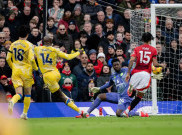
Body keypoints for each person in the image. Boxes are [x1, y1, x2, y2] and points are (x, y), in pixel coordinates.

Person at [76, 59, 148, 118]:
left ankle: (139, 113)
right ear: (113, 67)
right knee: (100, 96)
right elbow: (109, 83)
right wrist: (99, 88)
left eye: (117, 64)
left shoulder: (127, 71)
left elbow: (138, 73)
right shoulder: (113, 75)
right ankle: (87, 113)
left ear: (120, 64)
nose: (116, 66)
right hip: (118, 95)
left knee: (119, 114)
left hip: (127, 97)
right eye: (114, 65)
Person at [34, 36, 86, 116]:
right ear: (51, 43)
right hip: (56, 73)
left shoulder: (37, 49)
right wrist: (78, 52)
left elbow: (30, 56)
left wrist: (36, 68)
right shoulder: (55, 50)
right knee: (60, 92)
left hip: (48, 76)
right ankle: (67, 98)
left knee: (61, 96)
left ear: (43, 42)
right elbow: (68, 57)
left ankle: (80, 111)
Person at [123, 32, 165, 117]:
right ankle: (127, 110)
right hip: (145, 74)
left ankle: (132, 91)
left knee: (131, 95)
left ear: (142, 39)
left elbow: (131, 61)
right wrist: (162, 65)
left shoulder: (137, 49)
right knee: (140, 96)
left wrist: (128, 73)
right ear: (150, 40)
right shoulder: (153, 50)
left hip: (136, 73)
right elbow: (155, 64)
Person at [6, 25, 38, 120]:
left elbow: (8, 58)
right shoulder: (29, 45)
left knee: (19, 94)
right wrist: (35, 68)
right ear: (27, 35)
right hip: (26, 71)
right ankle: (24, 114)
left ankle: (12, 101)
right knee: (27, 93)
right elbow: (32, 59)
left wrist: (13, 67)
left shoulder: (13, 44)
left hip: (16, 71)